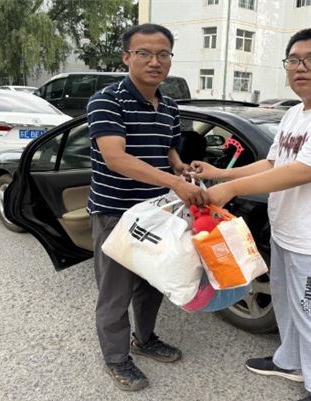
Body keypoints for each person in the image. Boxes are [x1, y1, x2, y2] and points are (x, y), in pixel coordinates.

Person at [191, 28, 311, 401]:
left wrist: (232, 190)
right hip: (289, 232)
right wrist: (220, 174)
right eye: (293, 60)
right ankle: (290, 362)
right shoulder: (294, 113)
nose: (300, 68)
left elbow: (304, 171)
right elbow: (274, 163)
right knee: (289, 306)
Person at [86, 23, 207, 392]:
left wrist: (180, 168)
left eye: (163, 54)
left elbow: (169, 148)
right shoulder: (107, 101)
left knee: (153, 282)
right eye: (144, 53)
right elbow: (115, 158)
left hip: (157, 213)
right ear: (127, 57)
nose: (155, 61)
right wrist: (175, 183)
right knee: (115, 293)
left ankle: (145, 338)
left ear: (170, 58)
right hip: (116, 213)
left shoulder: (168, 104)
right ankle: (116, 357)